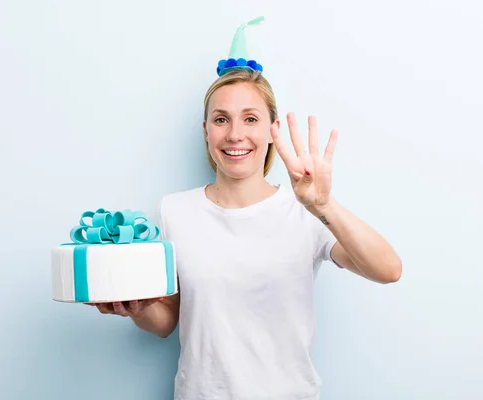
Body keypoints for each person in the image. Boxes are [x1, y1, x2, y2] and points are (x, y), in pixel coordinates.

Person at [89, 17, 402, 400]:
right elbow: (166, 321)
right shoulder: (174, 211)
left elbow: (388, 270)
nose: (235, 134)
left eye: (250, 119)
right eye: (221, 120)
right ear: (207, 130)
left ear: (272, 130)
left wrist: (324, 206)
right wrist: (135, 308)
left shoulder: (306, 212)